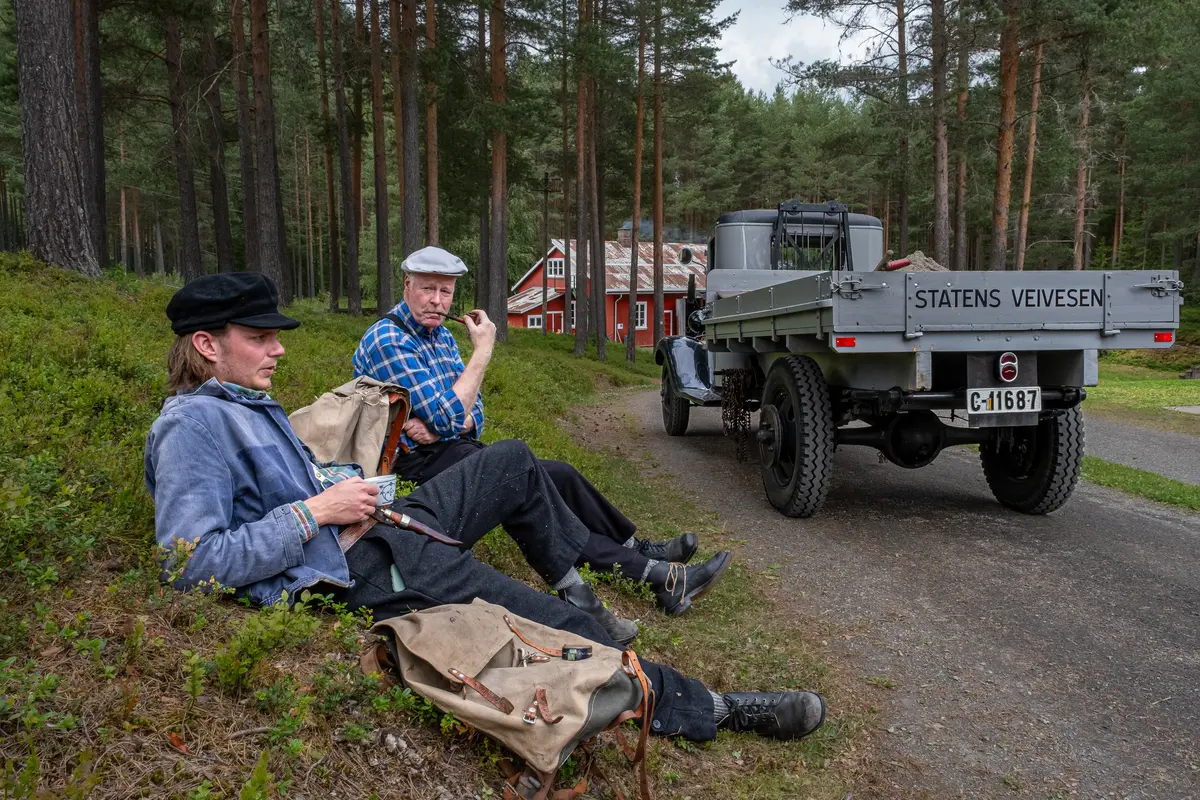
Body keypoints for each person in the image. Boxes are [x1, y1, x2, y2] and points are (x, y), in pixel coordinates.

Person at [144, 273, 827, 746]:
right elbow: (189, 560)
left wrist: (350, 487)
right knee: (553, 627)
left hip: (374, 527)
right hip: (361, 568)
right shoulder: (190, 427)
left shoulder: (246, 405)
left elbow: (295, 489)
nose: (279, 347)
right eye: (260, 336)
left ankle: (586, 586)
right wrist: (317, 511)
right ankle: (714, 708)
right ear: (207, 344)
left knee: (512, 461)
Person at [353, 246, 731, 617]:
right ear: (407, 285)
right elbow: (448, 414)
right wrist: (481, 355)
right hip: (416, 468)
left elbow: (473, 413)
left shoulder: (441, 337)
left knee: (560, 475)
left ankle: (638, 549)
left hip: (452, 450)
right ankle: (657, 576)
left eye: (445, 291)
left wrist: (446, 422)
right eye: (427, 289)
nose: (437, 301)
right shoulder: (389, 339)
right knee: (541, 496)